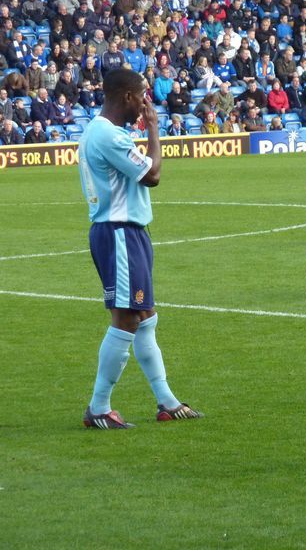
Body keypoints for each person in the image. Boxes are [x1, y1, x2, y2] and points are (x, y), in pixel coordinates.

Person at [78, 68, 202, 429]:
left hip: (129, 231)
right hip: (118, 231)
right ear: (127, 97)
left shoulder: (105, 131)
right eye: (143, 94)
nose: (147, 102)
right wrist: (153, 130)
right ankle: (98, 407)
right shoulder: (106, 135)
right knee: (127, 318)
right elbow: (152, 175)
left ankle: (167, 401)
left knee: (145, 316)